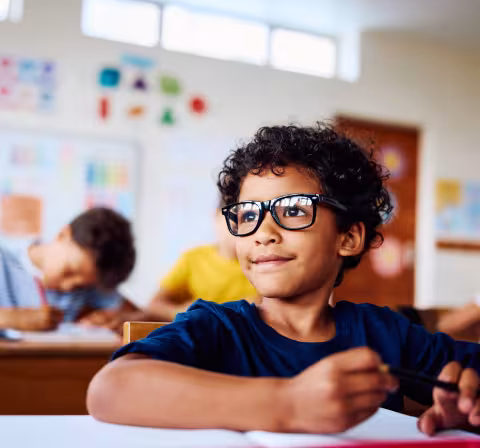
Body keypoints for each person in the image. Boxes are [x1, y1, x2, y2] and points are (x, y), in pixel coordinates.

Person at [87, 124, 480, 435]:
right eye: (246, 214)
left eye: (293, 210)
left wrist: (465, 412)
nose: (262, 231)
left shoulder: (386, 334)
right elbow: (109, 390)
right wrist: (289, 403)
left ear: (348, 237)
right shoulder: (217, 326)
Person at [81, 203, 257, 331]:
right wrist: (182, 312)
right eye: (235, 221)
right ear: (216, 216)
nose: (241, 233)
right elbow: (154, 306)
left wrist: (199, 313)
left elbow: (263, 311)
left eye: (251, 222)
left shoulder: (263, 266)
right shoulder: (194, 259)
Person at [0, 207, 136, 330]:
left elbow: (136, 314)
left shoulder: (90, 279)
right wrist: (9, 319)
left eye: (80, 285)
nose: (68, 286)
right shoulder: (4, 259)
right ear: (63, 235)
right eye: (69, 271)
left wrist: (111, 318)